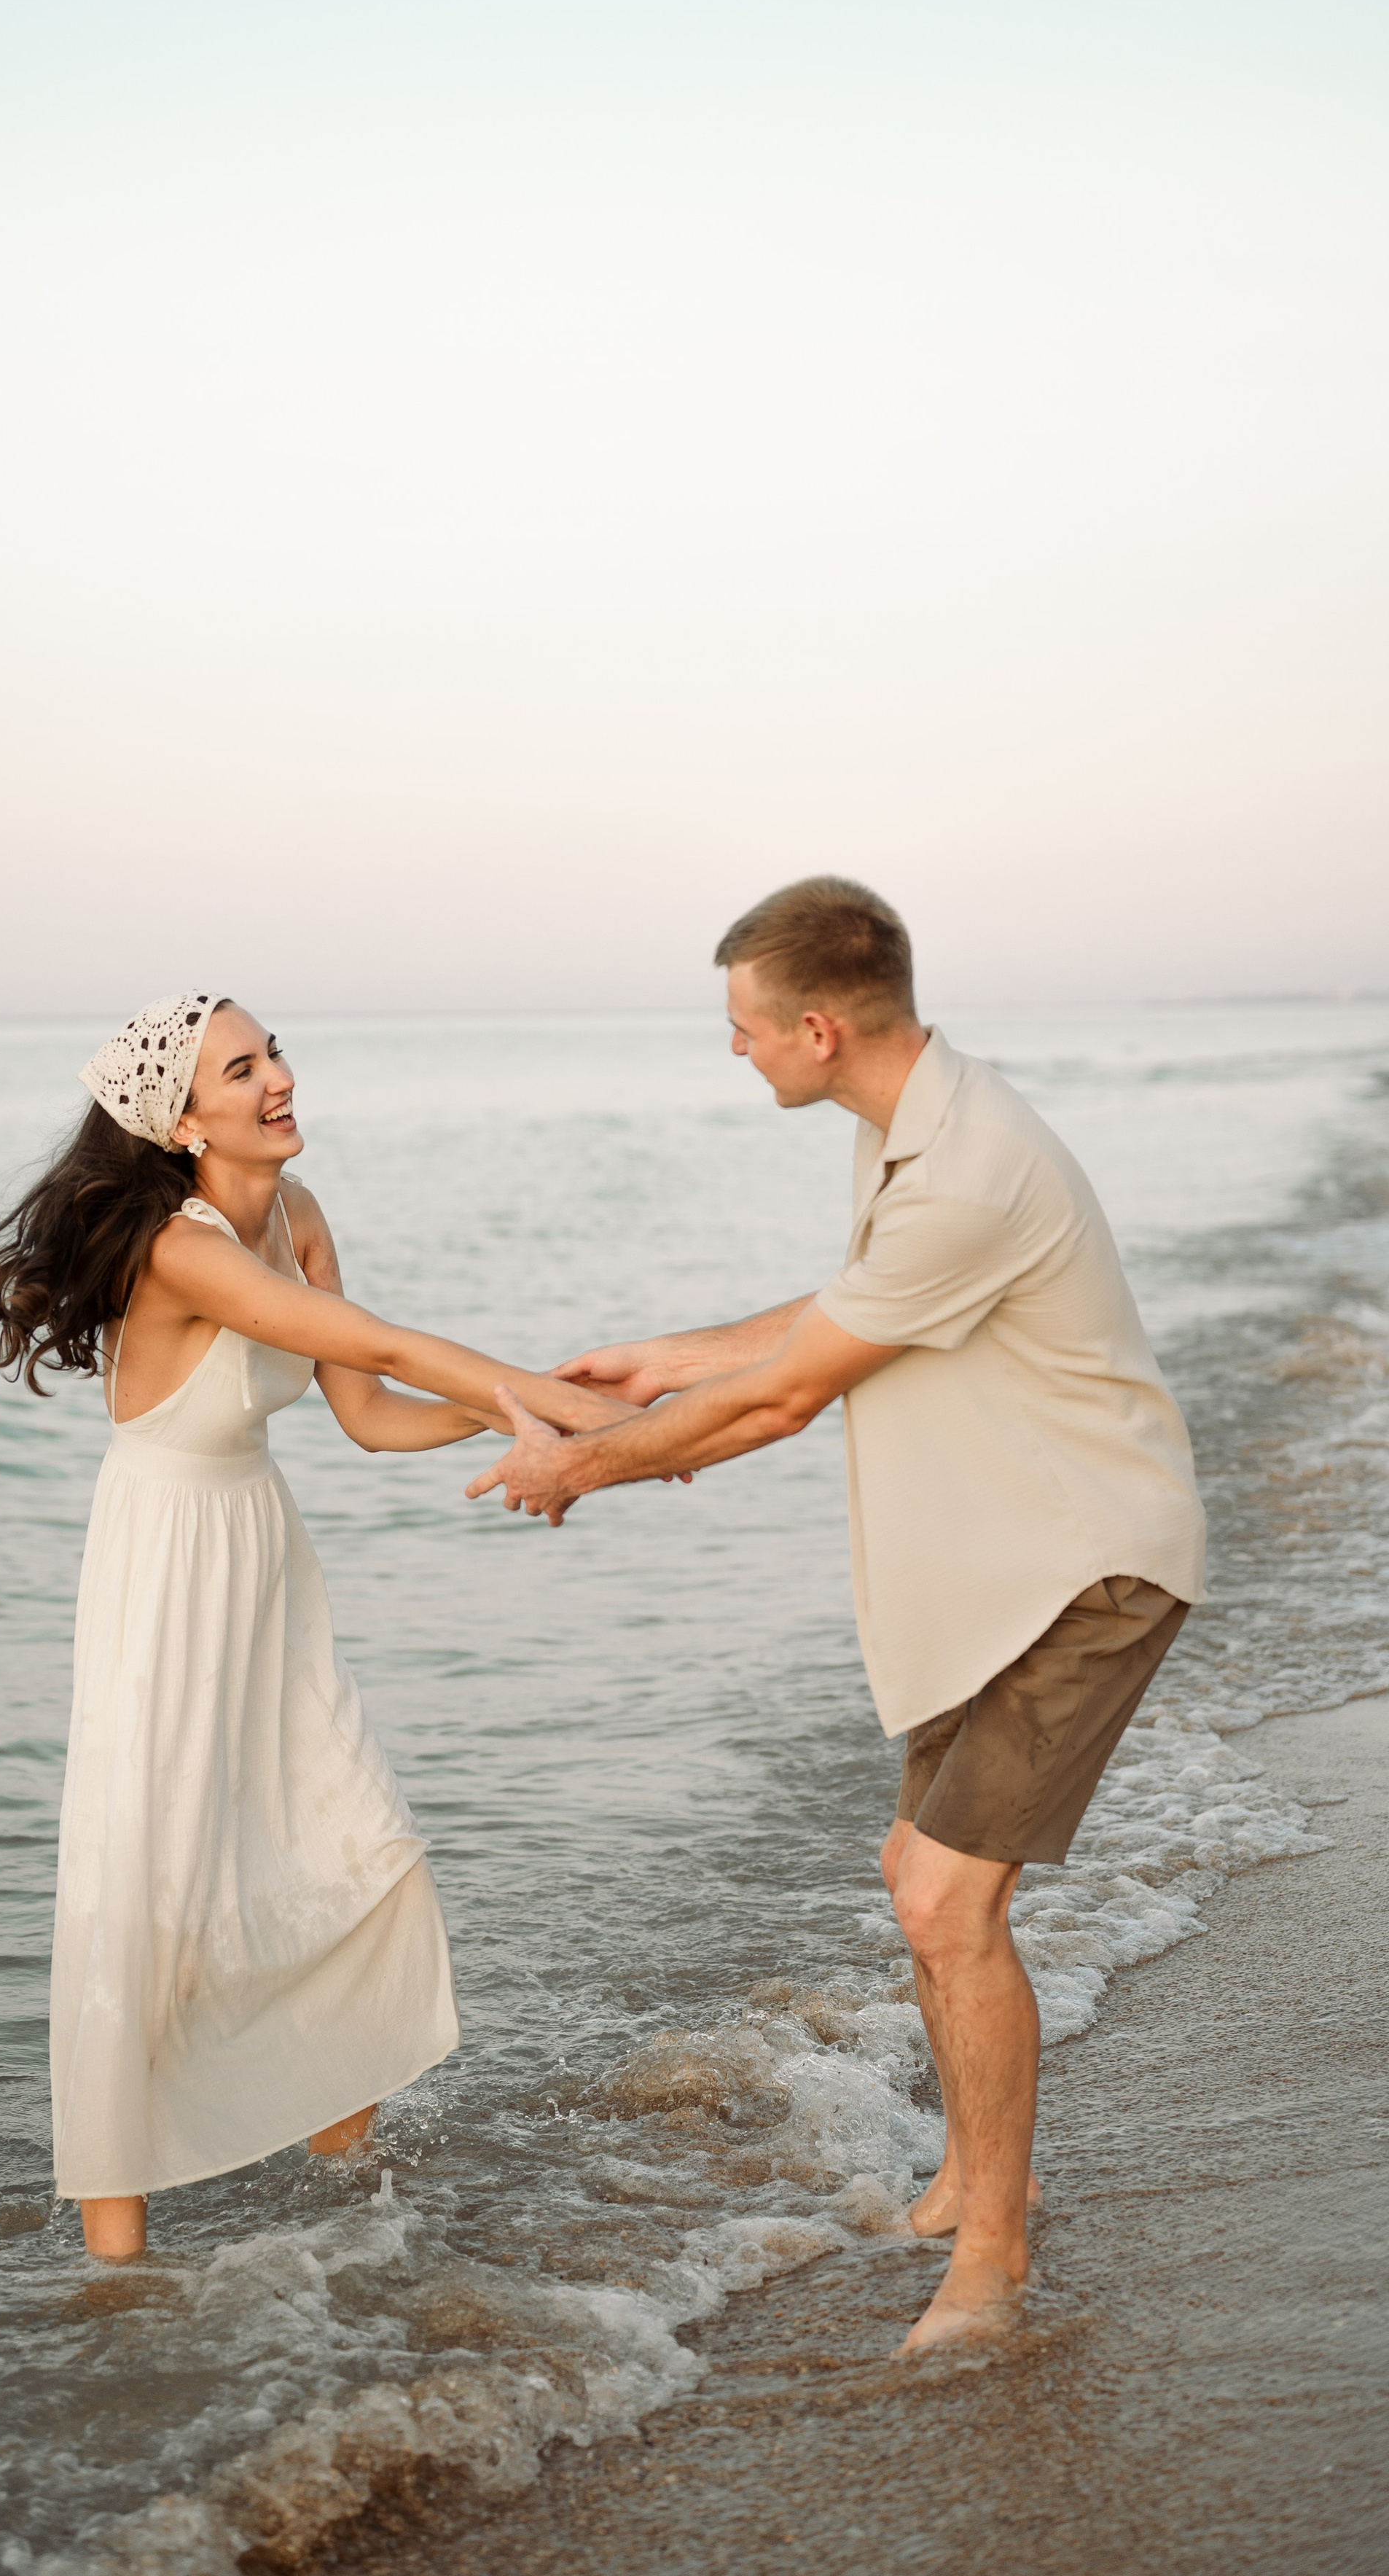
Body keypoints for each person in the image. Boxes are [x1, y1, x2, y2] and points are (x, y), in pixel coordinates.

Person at [468, 878, 1207, 2353]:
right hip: (991, 1572)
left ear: (812, 1026)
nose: (732, 1052)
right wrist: (663, 1359)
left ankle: (990, 2252)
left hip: (1083, 1569)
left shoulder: (968, 1163)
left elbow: (797, 1391)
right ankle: (966, 2175)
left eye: (740, 1029)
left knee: (947, 1901)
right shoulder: (913, 1121)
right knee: (913, 1873)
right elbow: (841, 1313)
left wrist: (585, 1465)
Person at [0, 990, 631, 2263]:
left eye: (275, 1055)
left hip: (260, 1553)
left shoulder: (300, 1216)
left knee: (359, 1849)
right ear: (183, 1119)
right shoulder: (179, 1247)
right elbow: (367, 1338)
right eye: (242, 1069)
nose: (278, 1081)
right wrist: (564, 1408)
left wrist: (537, 1429)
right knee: (148, 1883)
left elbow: (367, 1410)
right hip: (164, 1564)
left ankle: (334, 2183)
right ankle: (117, 2267)